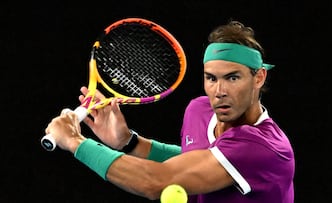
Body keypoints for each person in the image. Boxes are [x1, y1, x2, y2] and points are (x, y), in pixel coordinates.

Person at [45, 20, 295, 203]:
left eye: (232, 78)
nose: (219, 91)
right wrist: (129, 142)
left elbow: (157, 181)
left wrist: (75, 141)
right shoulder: (199, 110)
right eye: (211, 78)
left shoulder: (263, 147)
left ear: (259, 77)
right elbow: (195, 157)